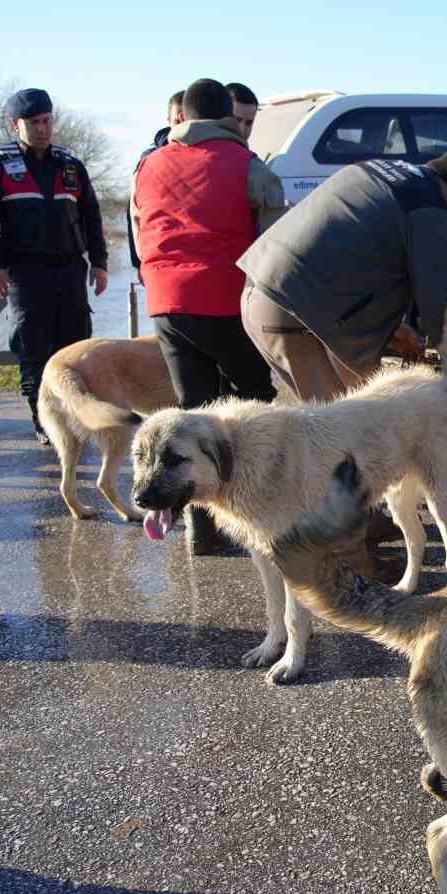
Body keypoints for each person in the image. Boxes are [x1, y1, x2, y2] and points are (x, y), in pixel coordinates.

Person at [237, 142, 447, 580]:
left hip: (265, 295)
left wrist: (392, 329)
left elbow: (352, 259)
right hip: (294, 316)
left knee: (354, 422)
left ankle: (365, 535)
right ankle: (355, 576)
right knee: (340, 449)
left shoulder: (384, 172)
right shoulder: (433, 213)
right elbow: (440, 314)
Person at [132, 77, 283, 554]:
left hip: (165, 301)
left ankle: (203, 532)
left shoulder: (148, 165)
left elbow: (139, 235)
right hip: (225, 298)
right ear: (226, 117)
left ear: (183, 115)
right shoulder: (246, 165)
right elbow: (272, 246)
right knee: (254, 403)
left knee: (193, 408)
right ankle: (255, 512)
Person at [0, 87, 109, 444]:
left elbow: (91, 217)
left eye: (47, 120)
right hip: (24, 271)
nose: (42, 128)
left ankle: (74, 417)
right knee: (33, 349)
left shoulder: (70, 165)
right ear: (15, 124)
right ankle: (43, 420)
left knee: (74, 349)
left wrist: (99, 262)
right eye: (34, 122)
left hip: (69, 270)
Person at [127, 89, 186, 271]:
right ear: (168, 122)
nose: (181, 127)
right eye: (177, 121)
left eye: (186, 122)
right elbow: (134, 213)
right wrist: (139, 263)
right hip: (160, 258)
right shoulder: (149, 160)